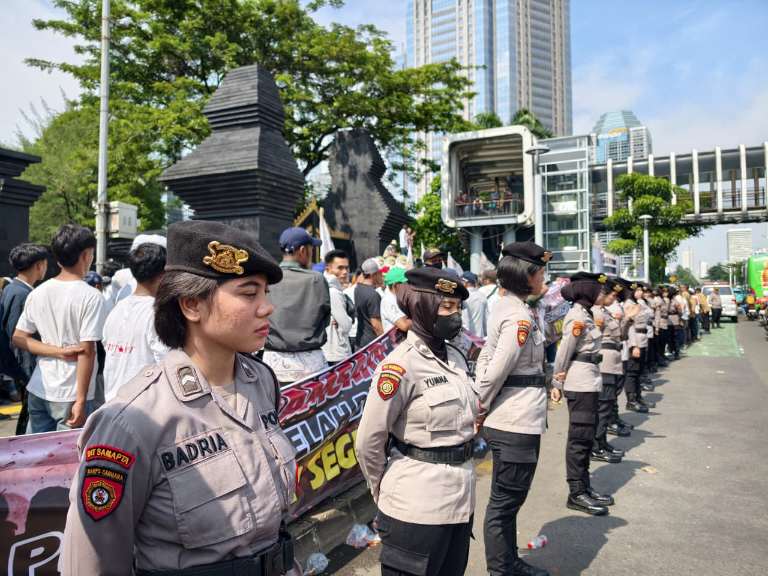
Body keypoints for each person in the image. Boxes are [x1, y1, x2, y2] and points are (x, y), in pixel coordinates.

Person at [60, 220, 297, 575]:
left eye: (266, 293)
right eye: (249, 294)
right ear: (191, 305)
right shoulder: (132, 421)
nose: (266, 308)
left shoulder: (261, 382)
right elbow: (92, 561)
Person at [356, 267, 476, 576]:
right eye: (446, 306)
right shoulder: (399, 365)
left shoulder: (455, 358)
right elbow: (369, 441)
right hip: (416, 506)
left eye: (458, 307)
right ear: (422, 306)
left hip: (461, 501)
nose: (455, 315)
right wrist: (383, 491)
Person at [475, 241, 552, 576]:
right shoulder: (518, 317)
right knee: (505, 502)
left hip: (516, 417)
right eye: (540, 272)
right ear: (525, 275)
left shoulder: (509, 307)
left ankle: (508, 563)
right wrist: (479, 408)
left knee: (507, 502)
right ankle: (502, 569)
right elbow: (495, 369)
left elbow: (487, 357)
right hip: (515, 420)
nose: (543, 277)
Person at [13, 224, 104, 433]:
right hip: (71, 391)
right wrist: (81, 399)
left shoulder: (38, 292)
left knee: (36, 450)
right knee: (69, 452)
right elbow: (87, 351)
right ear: (86, 255)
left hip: (40, 386)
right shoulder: (91, 296)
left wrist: (57, 351)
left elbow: (19, 337)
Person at [553, 272, 615, 517]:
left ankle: (585, 487)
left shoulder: (586, 313)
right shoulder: (577, 316)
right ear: (587, 292)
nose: (602, 294)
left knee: (587, 437)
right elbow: (564, 351)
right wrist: (557, 382)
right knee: (579, 438)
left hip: (589, 378)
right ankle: (576, 492)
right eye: (598, 290)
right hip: (579, 382)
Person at [102, 243, 168, 402]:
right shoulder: (157, 312)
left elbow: (106, 344)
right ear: (162, 275)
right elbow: (166, 361)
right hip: (143, 403)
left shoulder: (117, 309)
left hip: (112, 400)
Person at [263, 227, 330, 384]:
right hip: (310, 362)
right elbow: (325, 317)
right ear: (302, 250)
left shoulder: (268, 278)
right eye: (311, 249)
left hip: (274, 360)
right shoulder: (316, 279)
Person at [0, 243, 49, 432]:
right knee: (29, 423)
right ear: (39, 265)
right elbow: (18, 339)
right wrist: (27, 375)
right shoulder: (22, 294)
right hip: (24, 369)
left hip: (19, 368)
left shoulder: (13, 289)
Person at [591, 278, 627, 463]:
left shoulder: (605, 312)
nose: (612, 298)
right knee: (603, 407)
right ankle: (596, 446)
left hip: (612, 362)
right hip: (604, 363)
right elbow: (594, 338)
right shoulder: (596, 312)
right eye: (608, 294)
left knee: (607, 405)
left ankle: (602, 442)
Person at [623, 281, 652, 413]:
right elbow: (629, 327)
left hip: (643, 338)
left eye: (641, 290)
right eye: (637, 290)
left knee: (639, 371)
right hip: (634, 340)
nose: (640, 292)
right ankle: (631, 400)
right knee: (632, 371)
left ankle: (638, 397)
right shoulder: (628, 304)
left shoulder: (639, 303)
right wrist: (634, 345)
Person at [322, 250, 354, 365]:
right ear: (328, 269)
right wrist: (348, 319)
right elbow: (346, 325)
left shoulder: (324, 286)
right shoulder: (333, 292)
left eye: (346, 268)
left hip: (329, 349)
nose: (344, 272)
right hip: (336, 351)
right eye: (340, 268)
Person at [354, 258, 385, 349]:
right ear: (373, 274)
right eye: (379, 273)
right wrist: (385, 343)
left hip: (360, 342)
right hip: (372, 345)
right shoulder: (373, 295)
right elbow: (376, 325)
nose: (381, 275)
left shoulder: (358, 288)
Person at [381, 267, 412, 333]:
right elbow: (404, 326)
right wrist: (420, 319)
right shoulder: (388, 300)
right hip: (398, 339)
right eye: (406, 282)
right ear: (395, 285)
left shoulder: (400, 297)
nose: (409, 285)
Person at [461, 271, 487, 337]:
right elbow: (485, 319)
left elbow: (464, 321)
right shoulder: (482, 296)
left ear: (465, 282)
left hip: (467, 337)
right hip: (480, 337)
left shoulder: (463, 296)